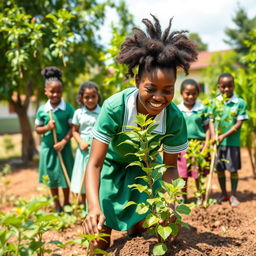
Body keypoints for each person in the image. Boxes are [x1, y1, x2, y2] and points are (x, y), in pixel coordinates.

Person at [83, 15, 198, 252]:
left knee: (142, 233)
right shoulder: (116, 108)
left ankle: (135, 229)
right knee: (99, 241)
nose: (159, 97)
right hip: (110, 168)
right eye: (150, 88)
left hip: (145, 170)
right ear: (137, 81)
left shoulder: (174, 118)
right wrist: (93, 207)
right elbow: (95, 163)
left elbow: (169, 167)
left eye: (168, 90)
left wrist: (169, 206)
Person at [35, 66, 75, 213]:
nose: (55, 94)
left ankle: (67, 203)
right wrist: (46, 128)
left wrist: (64, 141)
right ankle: (57, 205)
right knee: (52, 177)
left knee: (64, 176)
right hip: (48, 148)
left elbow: (73, 128)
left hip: (63, 148)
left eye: (58, 92)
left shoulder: (68, 108)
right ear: (46, 92)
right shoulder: (42, 110)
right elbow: (37, 130)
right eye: (52, 91)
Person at [210, 73, 248, 207]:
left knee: (232, 169)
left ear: (234, 86)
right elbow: (211, 120)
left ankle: (233, 195)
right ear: (219, 87)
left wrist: (222, 136)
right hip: (218, 144)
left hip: (232, 143)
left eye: (230, 86)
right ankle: (223, 193)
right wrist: (214, 135)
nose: (227, 89)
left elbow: (238, 124)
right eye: (223, 87)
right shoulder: (215, 102)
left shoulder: (240, 103)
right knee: (219, 169)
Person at [177, 79, 210, 205]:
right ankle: (183, 196)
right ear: (181, 94)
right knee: (183, 173)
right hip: (183, 145)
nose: (190, 96)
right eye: (187, 93)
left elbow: (207, 128)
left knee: (198, 172)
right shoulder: (178, 110)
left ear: (198, 94)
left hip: (199, 144)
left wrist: (207, 144)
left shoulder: (202, 109)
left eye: (194, 93)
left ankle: (199, 196)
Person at [70, 82, 101, 205]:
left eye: (93, 96)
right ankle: (84, 206)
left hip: (98, 148)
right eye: (86, 97)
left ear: (98, 96)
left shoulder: (103, 111)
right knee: (81, 177)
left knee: (95, 176)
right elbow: (75, 131)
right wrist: (81, 143)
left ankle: (96, 205)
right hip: (83, 150)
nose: (90, 100)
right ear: (81, 98)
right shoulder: (78, 113)